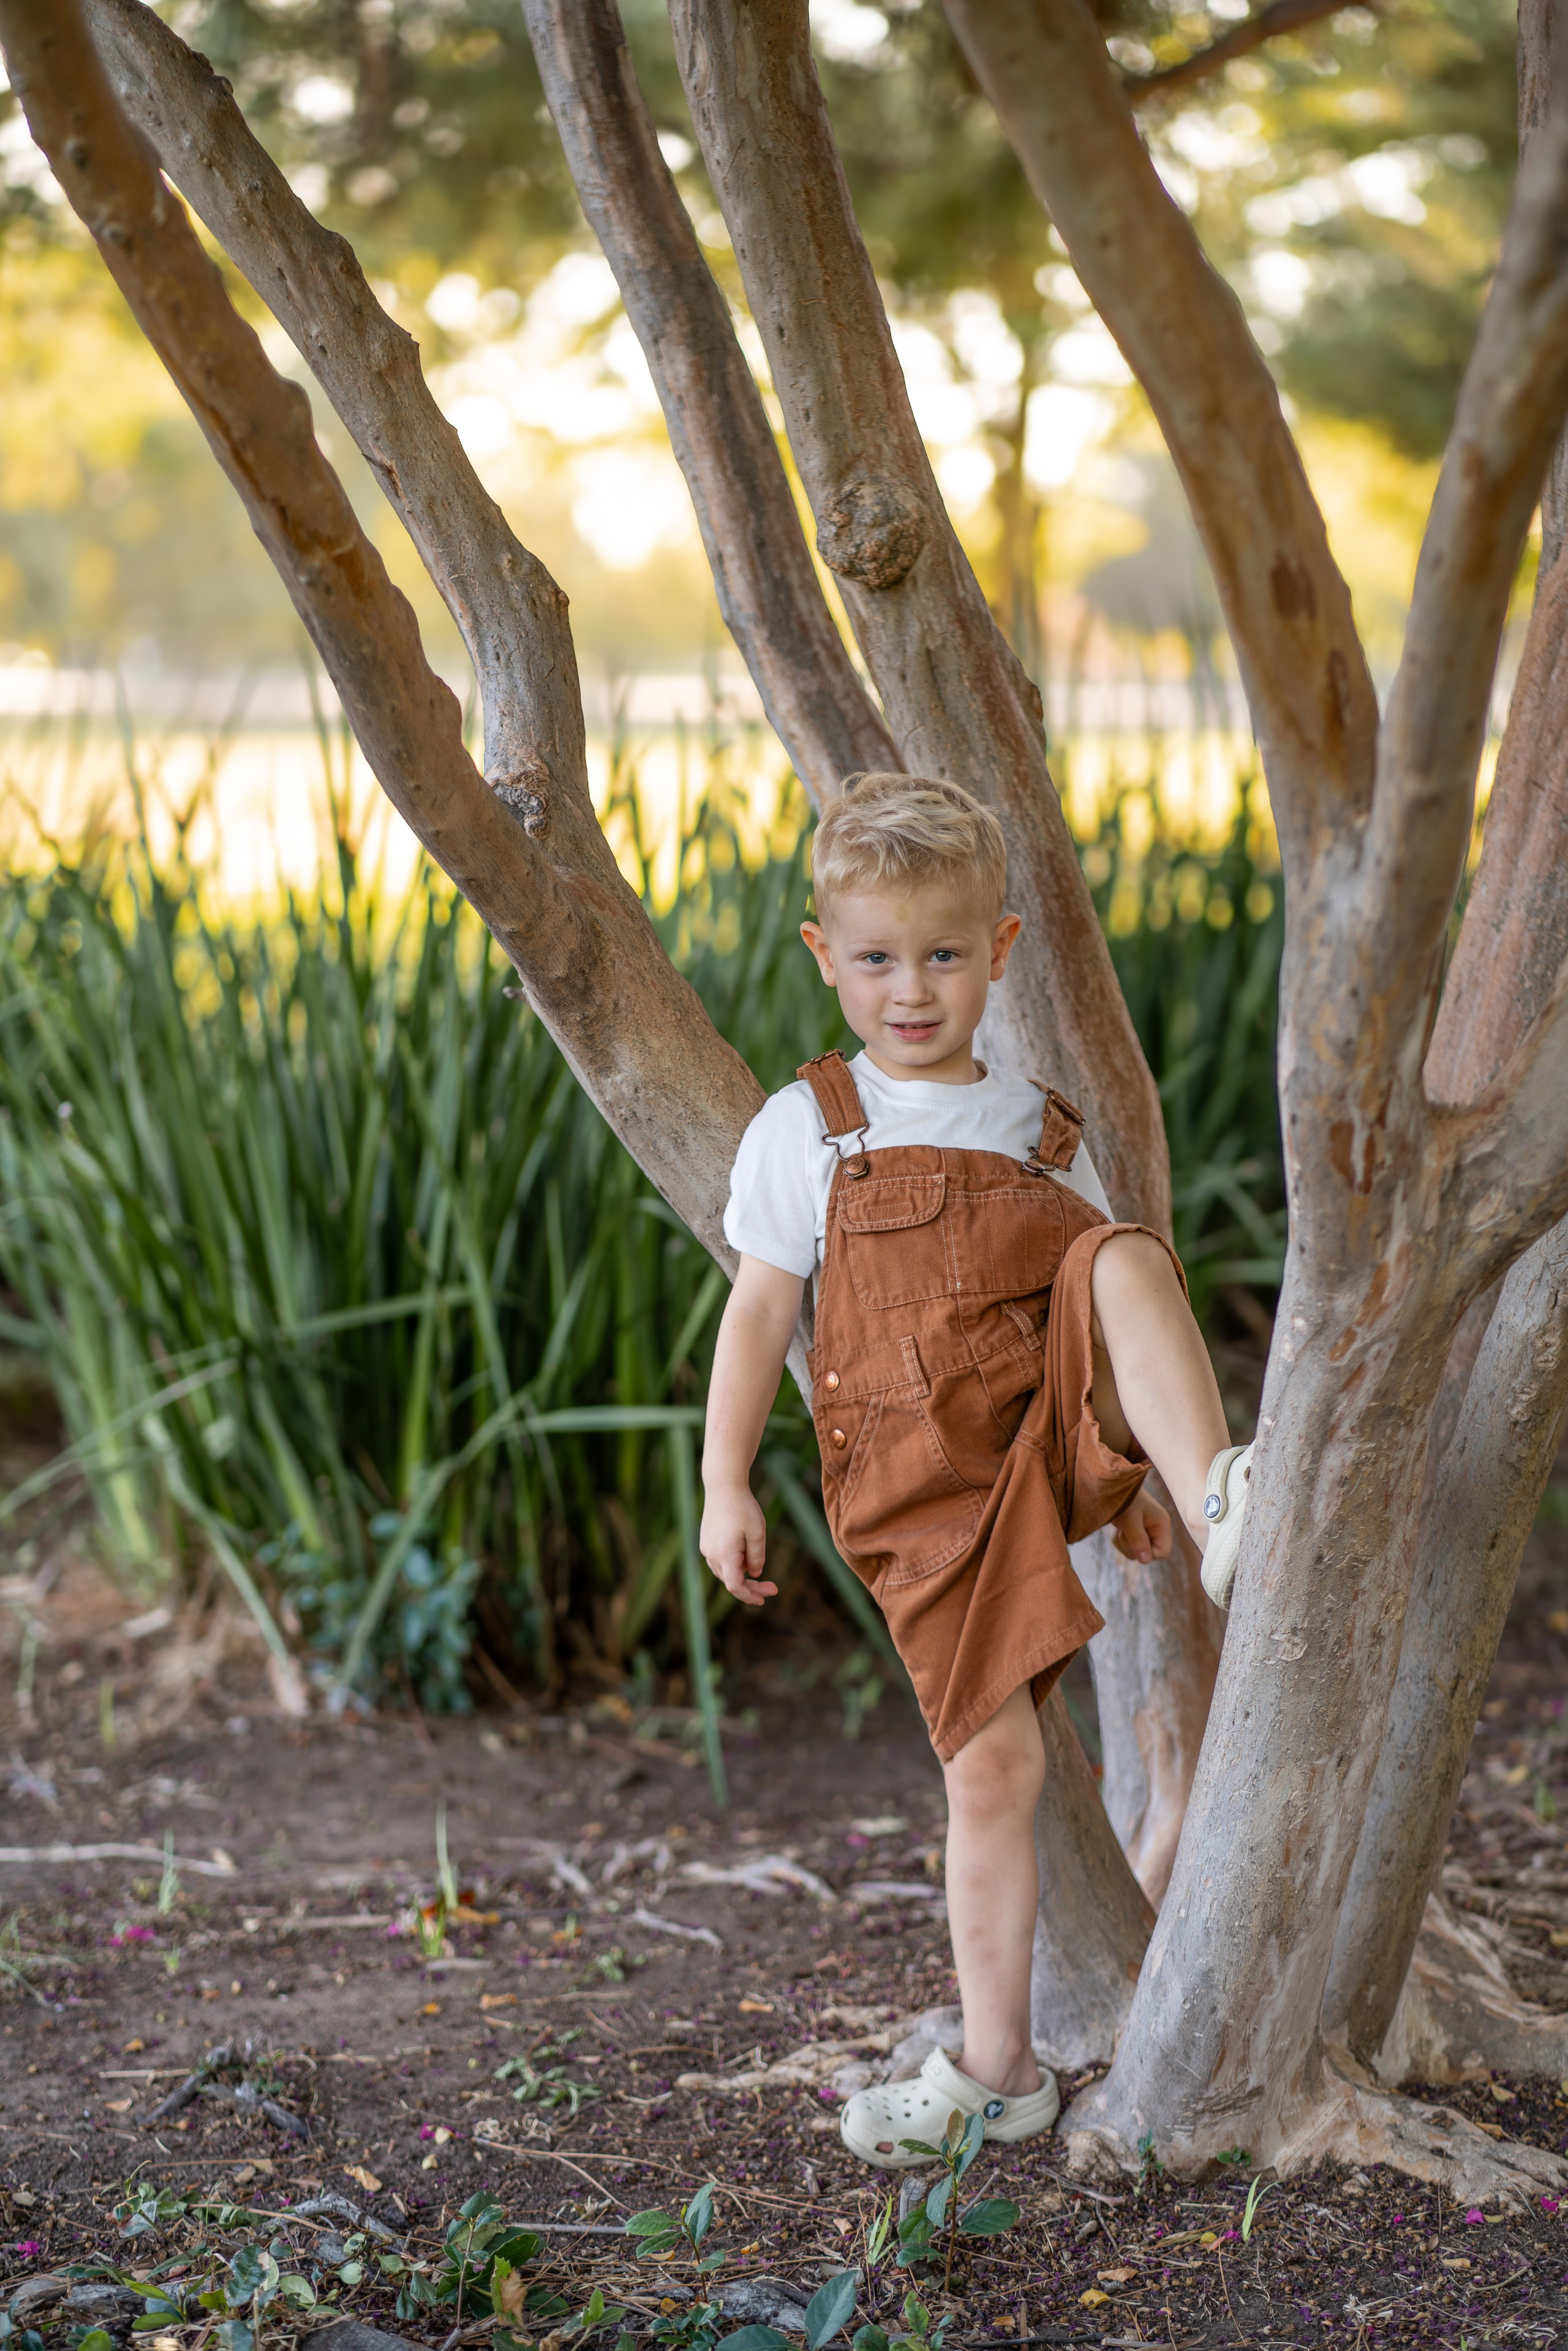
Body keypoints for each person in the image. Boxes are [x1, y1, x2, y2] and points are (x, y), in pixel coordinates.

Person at [698, 771, 1251, 2169]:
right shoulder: (810, 1126)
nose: (910, 987)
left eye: (942, 953)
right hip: (915, 1494)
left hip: (1032, 1450)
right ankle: (997, 2066)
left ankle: (1214, 1498)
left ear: (998, 948)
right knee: (994, 1769)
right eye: (876, 956)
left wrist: (1119, 1482)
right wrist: (723, 1482)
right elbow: (759, 1312)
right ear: (824, 955)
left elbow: (1075, 1324)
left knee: (1119, 1252)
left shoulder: (1034, 1125)